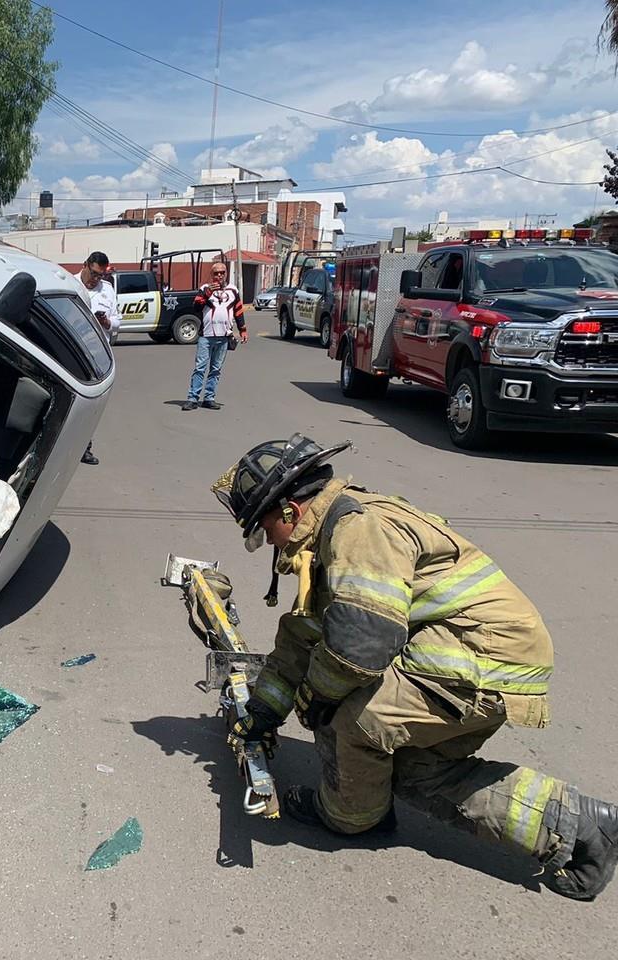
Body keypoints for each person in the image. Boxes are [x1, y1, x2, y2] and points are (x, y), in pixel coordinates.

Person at [213, 434, 617, 901]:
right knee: (416, 773)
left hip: (479, 660)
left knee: (356, 719)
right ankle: (583, 826)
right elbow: (306, 634)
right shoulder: (335, 530)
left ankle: (350, 818)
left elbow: (360, 644)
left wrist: (314, 699)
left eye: (265, 531)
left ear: (290, 510)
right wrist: (265, 709)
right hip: (485, 658)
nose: (270, 545)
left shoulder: (357, 531)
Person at [183, 261, 247, 411]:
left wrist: (243, 329)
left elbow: (238, 311)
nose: (219, 276)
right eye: (216, 273)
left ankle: (209, 398)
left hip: (224, 336)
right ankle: (193, 398)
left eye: (222, 272)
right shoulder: (204, 289)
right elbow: (196, 307)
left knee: (216, 369)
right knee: (200, 368)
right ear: (211, 275)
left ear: (226, 274)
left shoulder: (233, 290)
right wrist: (207, 294)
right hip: (206, 336)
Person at [78, 251, 119, 465]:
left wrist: (107, 323)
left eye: (100, 276)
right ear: (85, 265)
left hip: (96, 355)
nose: (96, 279)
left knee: (92, 404)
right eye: (94, 274)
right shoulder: (69, 284)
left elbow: (117, 320)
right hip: (72, 351)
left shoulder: (108, 291)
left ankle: (85, 447)